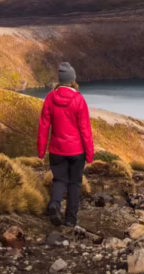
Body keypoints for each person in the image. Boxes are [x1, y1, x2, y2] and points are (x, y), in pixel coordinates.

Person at [37, 62, 94, 227]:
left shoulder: (50, 98)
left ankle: (54, 204)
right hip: (77, 151)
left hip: (57, 150)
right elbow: (85, 130)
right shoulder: (79, 100)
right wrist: (89, 154)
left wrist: (41, 151)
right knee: (75, 183)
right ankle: (70, 219)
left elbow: (44, 126)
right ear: (72, 80)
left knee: (59, 180)